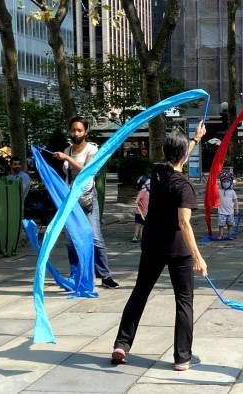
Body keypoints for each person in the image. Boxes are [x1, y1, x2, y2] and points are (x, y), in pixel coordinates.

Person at [111, 124, 208, 371]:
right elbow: (183, 223)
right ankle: (182, 357)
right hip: (177, 250)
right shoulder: (184, 186)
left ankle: (121, 344)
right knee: (184, 301)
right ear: (185, 155)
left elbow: (177, 158)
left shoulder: (157, 172)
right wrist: (198, 257)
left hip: (152, 244)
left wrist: (195, 139)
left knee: (140, 293)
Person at [53, 115, 119, 289]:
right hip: (70, 201)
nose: (76, 133)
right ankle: (75, 274)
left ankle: (105, 276)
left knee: (95, 237)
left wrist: (67, 159)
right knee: (70, 239)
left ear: (86, 131)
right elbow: (66, 175)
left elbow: (87, 171)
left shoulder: (92, 149)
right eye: (73, 130)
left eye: (79, 130)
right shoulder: (67, 150)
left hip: (88, 199)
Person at [217, 172, 239, 240]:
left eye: (227, 181)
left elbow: (235, 200)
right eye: (224, 181)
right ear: (221, 182)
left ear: (230, 182)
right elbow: (214, 197)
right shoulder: (219, 191)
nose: (225, 183)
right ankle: (221, 235)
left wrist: (237, 209)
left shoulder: (232, 191)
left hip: (230, 212)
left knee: (230, 224)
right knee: (221, 225)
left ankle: (230, 235)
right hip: (221, 211)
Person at [132, 175, 150, 242]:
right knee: (138, 225)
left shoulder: (148, 192)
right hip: (140, 213)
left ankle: (142, 237)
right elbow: (136, 201)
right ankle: (135, 236)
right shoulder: (142, 192)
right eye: (148, 184)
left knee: (143, 225)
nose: (150, 185)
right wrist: (138, 204)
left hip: (146, 213)